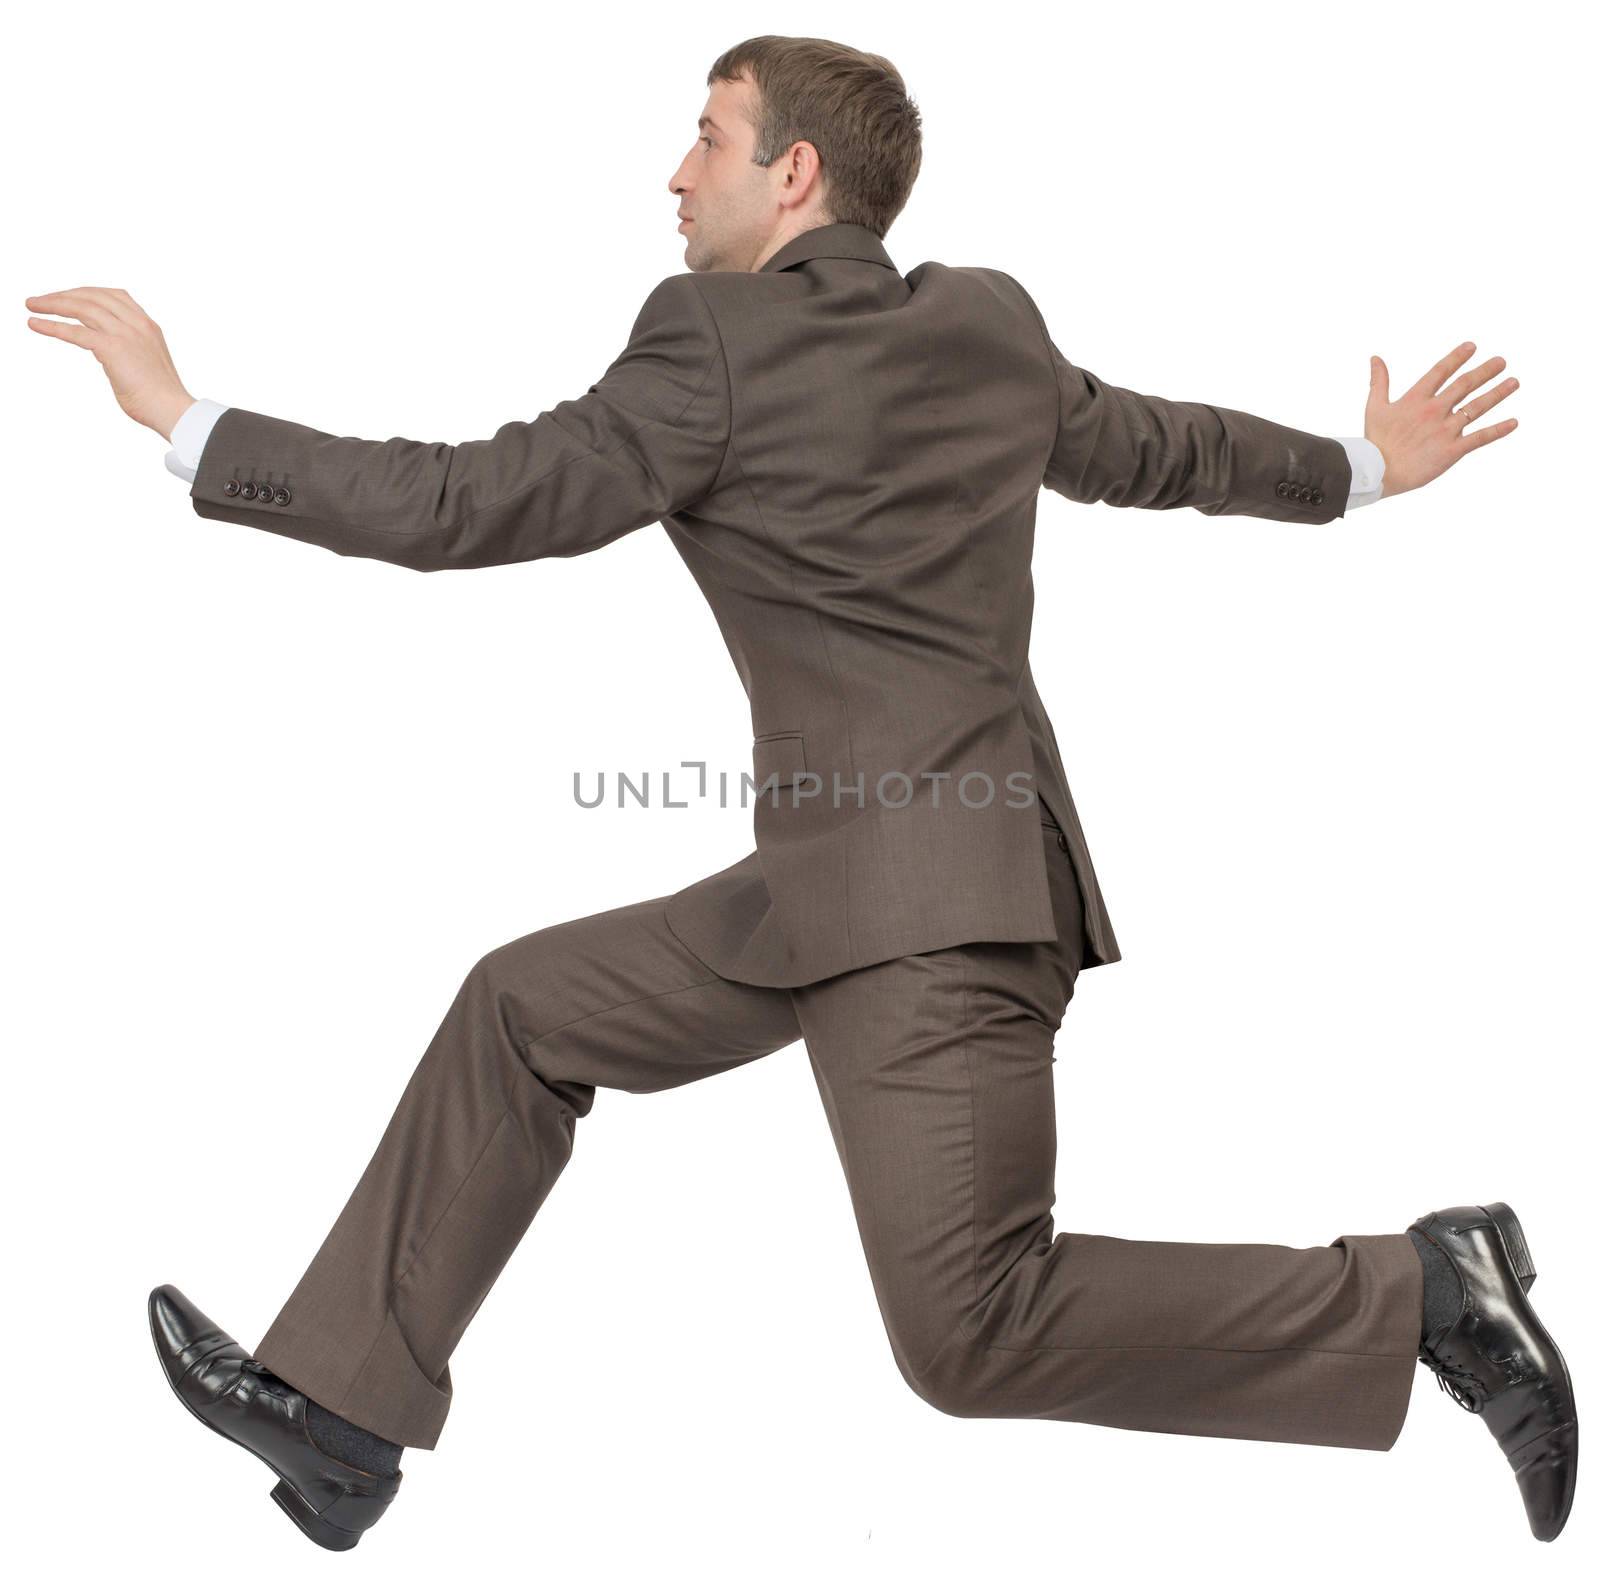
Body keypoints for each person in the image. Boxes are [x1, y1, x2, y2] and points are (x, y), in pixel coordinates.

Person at [26, 31, 1572, 1554]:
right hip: (872, 877)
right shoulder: (988, 323)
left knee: (972, 1331)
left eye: (707, 138)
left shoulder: (708, 343)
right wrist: (1360, 470)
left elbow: (463, 502)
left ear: (797, 174)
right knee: (527, 1007)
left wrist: (188, 422)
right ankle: (343, 1418)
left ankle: (1425, 1291)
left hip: (923, 908)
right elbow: (1155, 449)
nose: (674, 174)